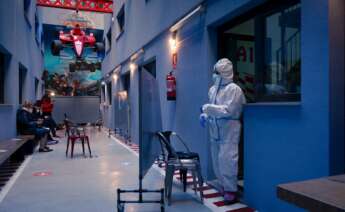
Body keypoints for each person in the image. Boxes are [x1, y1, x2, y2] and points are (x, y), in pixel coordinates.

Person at [200, 58, 246, 204]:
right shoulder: (213, 89)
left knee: (228, 160)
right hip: (215, 130)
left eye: (217, 73)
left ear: (224, 73)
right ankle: (223, 186)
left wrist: (207, 109)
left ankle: (231, 190)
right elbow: (214, 108)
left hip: (229, 130)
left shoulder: (234, 90)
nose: (214, 75)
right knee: (217, 160)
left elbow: (228, 110)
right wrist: (206, 115)